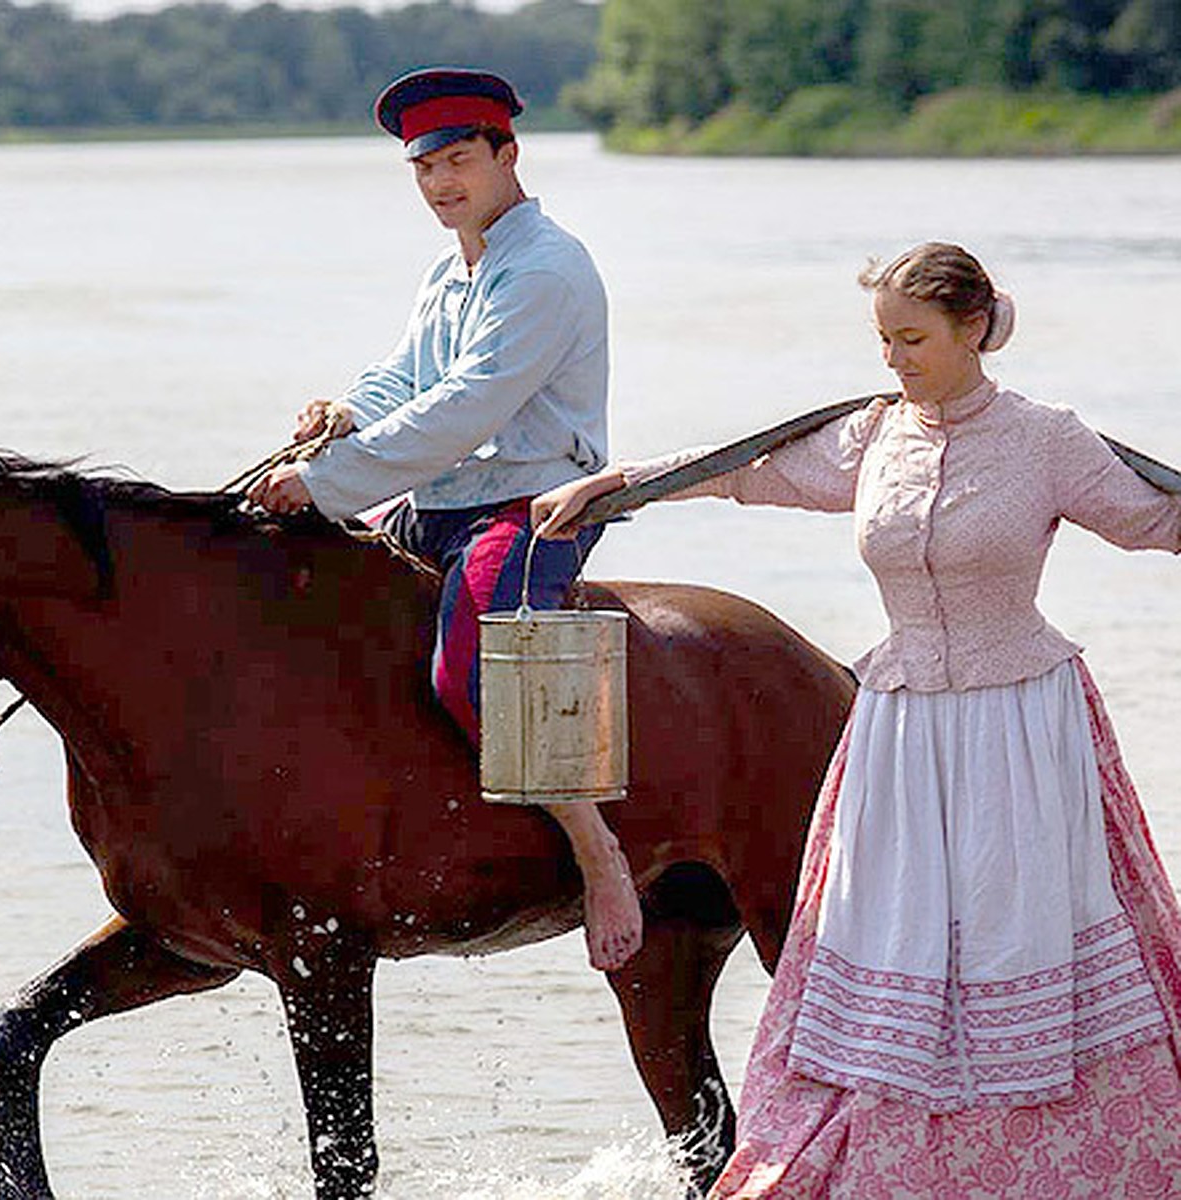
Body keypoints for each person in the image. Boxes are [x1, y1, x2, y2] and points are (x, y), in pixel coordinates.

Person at [533, 242, 1181, 1195]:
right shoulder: (875, 436)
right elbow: (748, 471)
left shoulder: (1049, 440)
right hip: (901, 730)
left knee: (1024, 932)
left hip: (1023, 727)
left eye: (913, 338)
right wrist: (619, 485)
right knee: (890, 933)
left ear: (974, 330)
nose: (894, 359)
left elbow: (1157, 523)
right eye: (883, 338)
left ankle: (1068, 1162)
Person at [247, 67, 642, 973]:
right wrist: (341, 415)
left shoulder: (545, 267)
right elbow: (406, 378)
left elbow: (465, 408)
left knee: (471, 666)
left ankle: (595, 849)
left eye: (459, 160)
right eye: (424, 169)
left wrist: (327, 481)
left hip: (533, 506)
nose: (440, 184)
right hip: (439, 503)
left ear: (509, 154)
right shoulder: (451, 267)